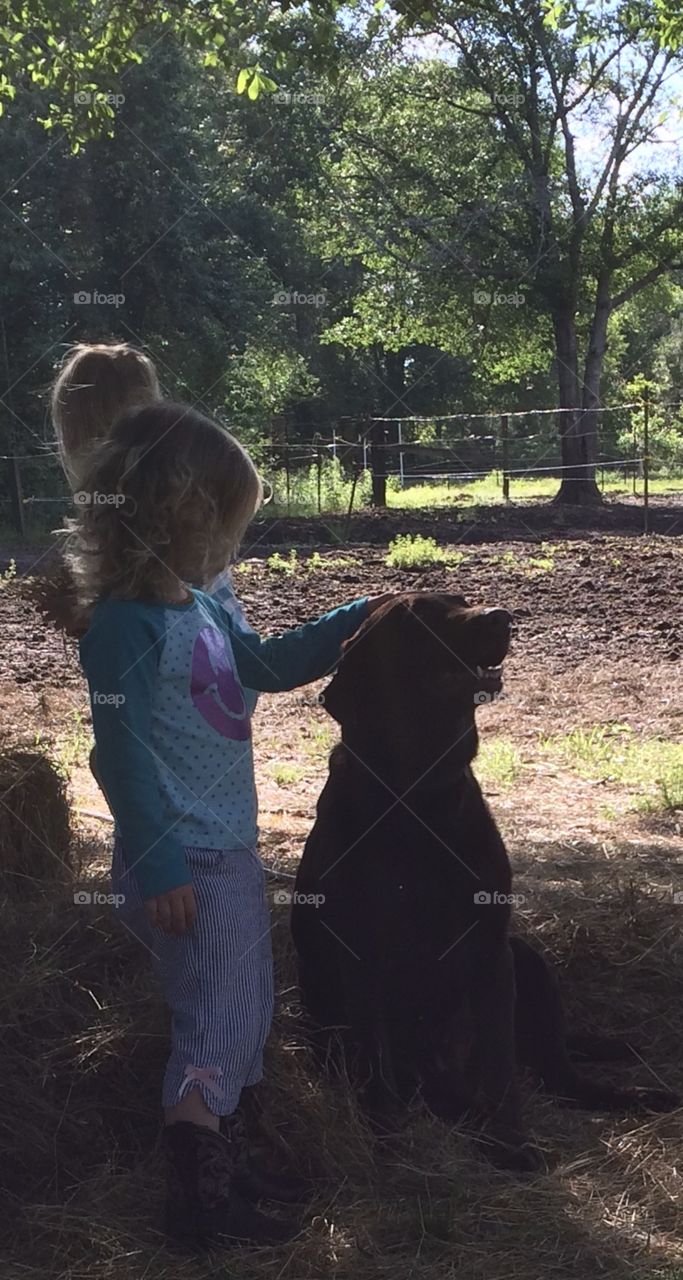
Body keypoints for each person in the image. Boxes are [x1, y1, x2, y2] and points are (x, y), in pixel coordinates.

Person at [67, 401, 388, 1250]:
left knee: (240, 1016)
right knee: (216, 1023)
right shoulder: (124, 627)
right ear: (182, 515)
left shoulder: (199, 607)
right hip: (185, 862)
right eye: (226, 525)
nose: (231, 548)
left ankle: (224, 1163)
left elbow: (267, 666)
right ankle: (199, 1211)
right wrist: (161, 861)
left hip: (224, 850)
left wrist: (354, 617)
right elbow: (119, 755)